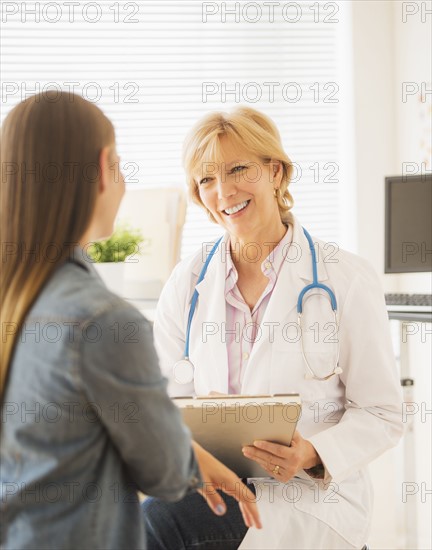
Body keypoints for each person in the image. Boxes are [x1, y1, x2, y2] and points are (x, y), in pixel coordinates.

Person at [0, 92, 260, 550]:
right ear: (104, 168)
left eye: (239, 169)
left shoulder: (17, 298)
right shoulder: (103, 321)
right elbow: (161, 469)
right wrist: (184, 451)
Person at [142, 106, 404, 549]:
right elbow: (166, 406)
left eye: (238, 169)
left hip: (311, 498)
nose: (223, 191)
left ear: (275, 172)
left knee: (157, 524)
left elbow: (383, 414)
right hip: (219, 486)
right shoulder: (187, 284)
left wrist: (312, 454)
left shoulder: (346, 278)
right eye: (206, 179)